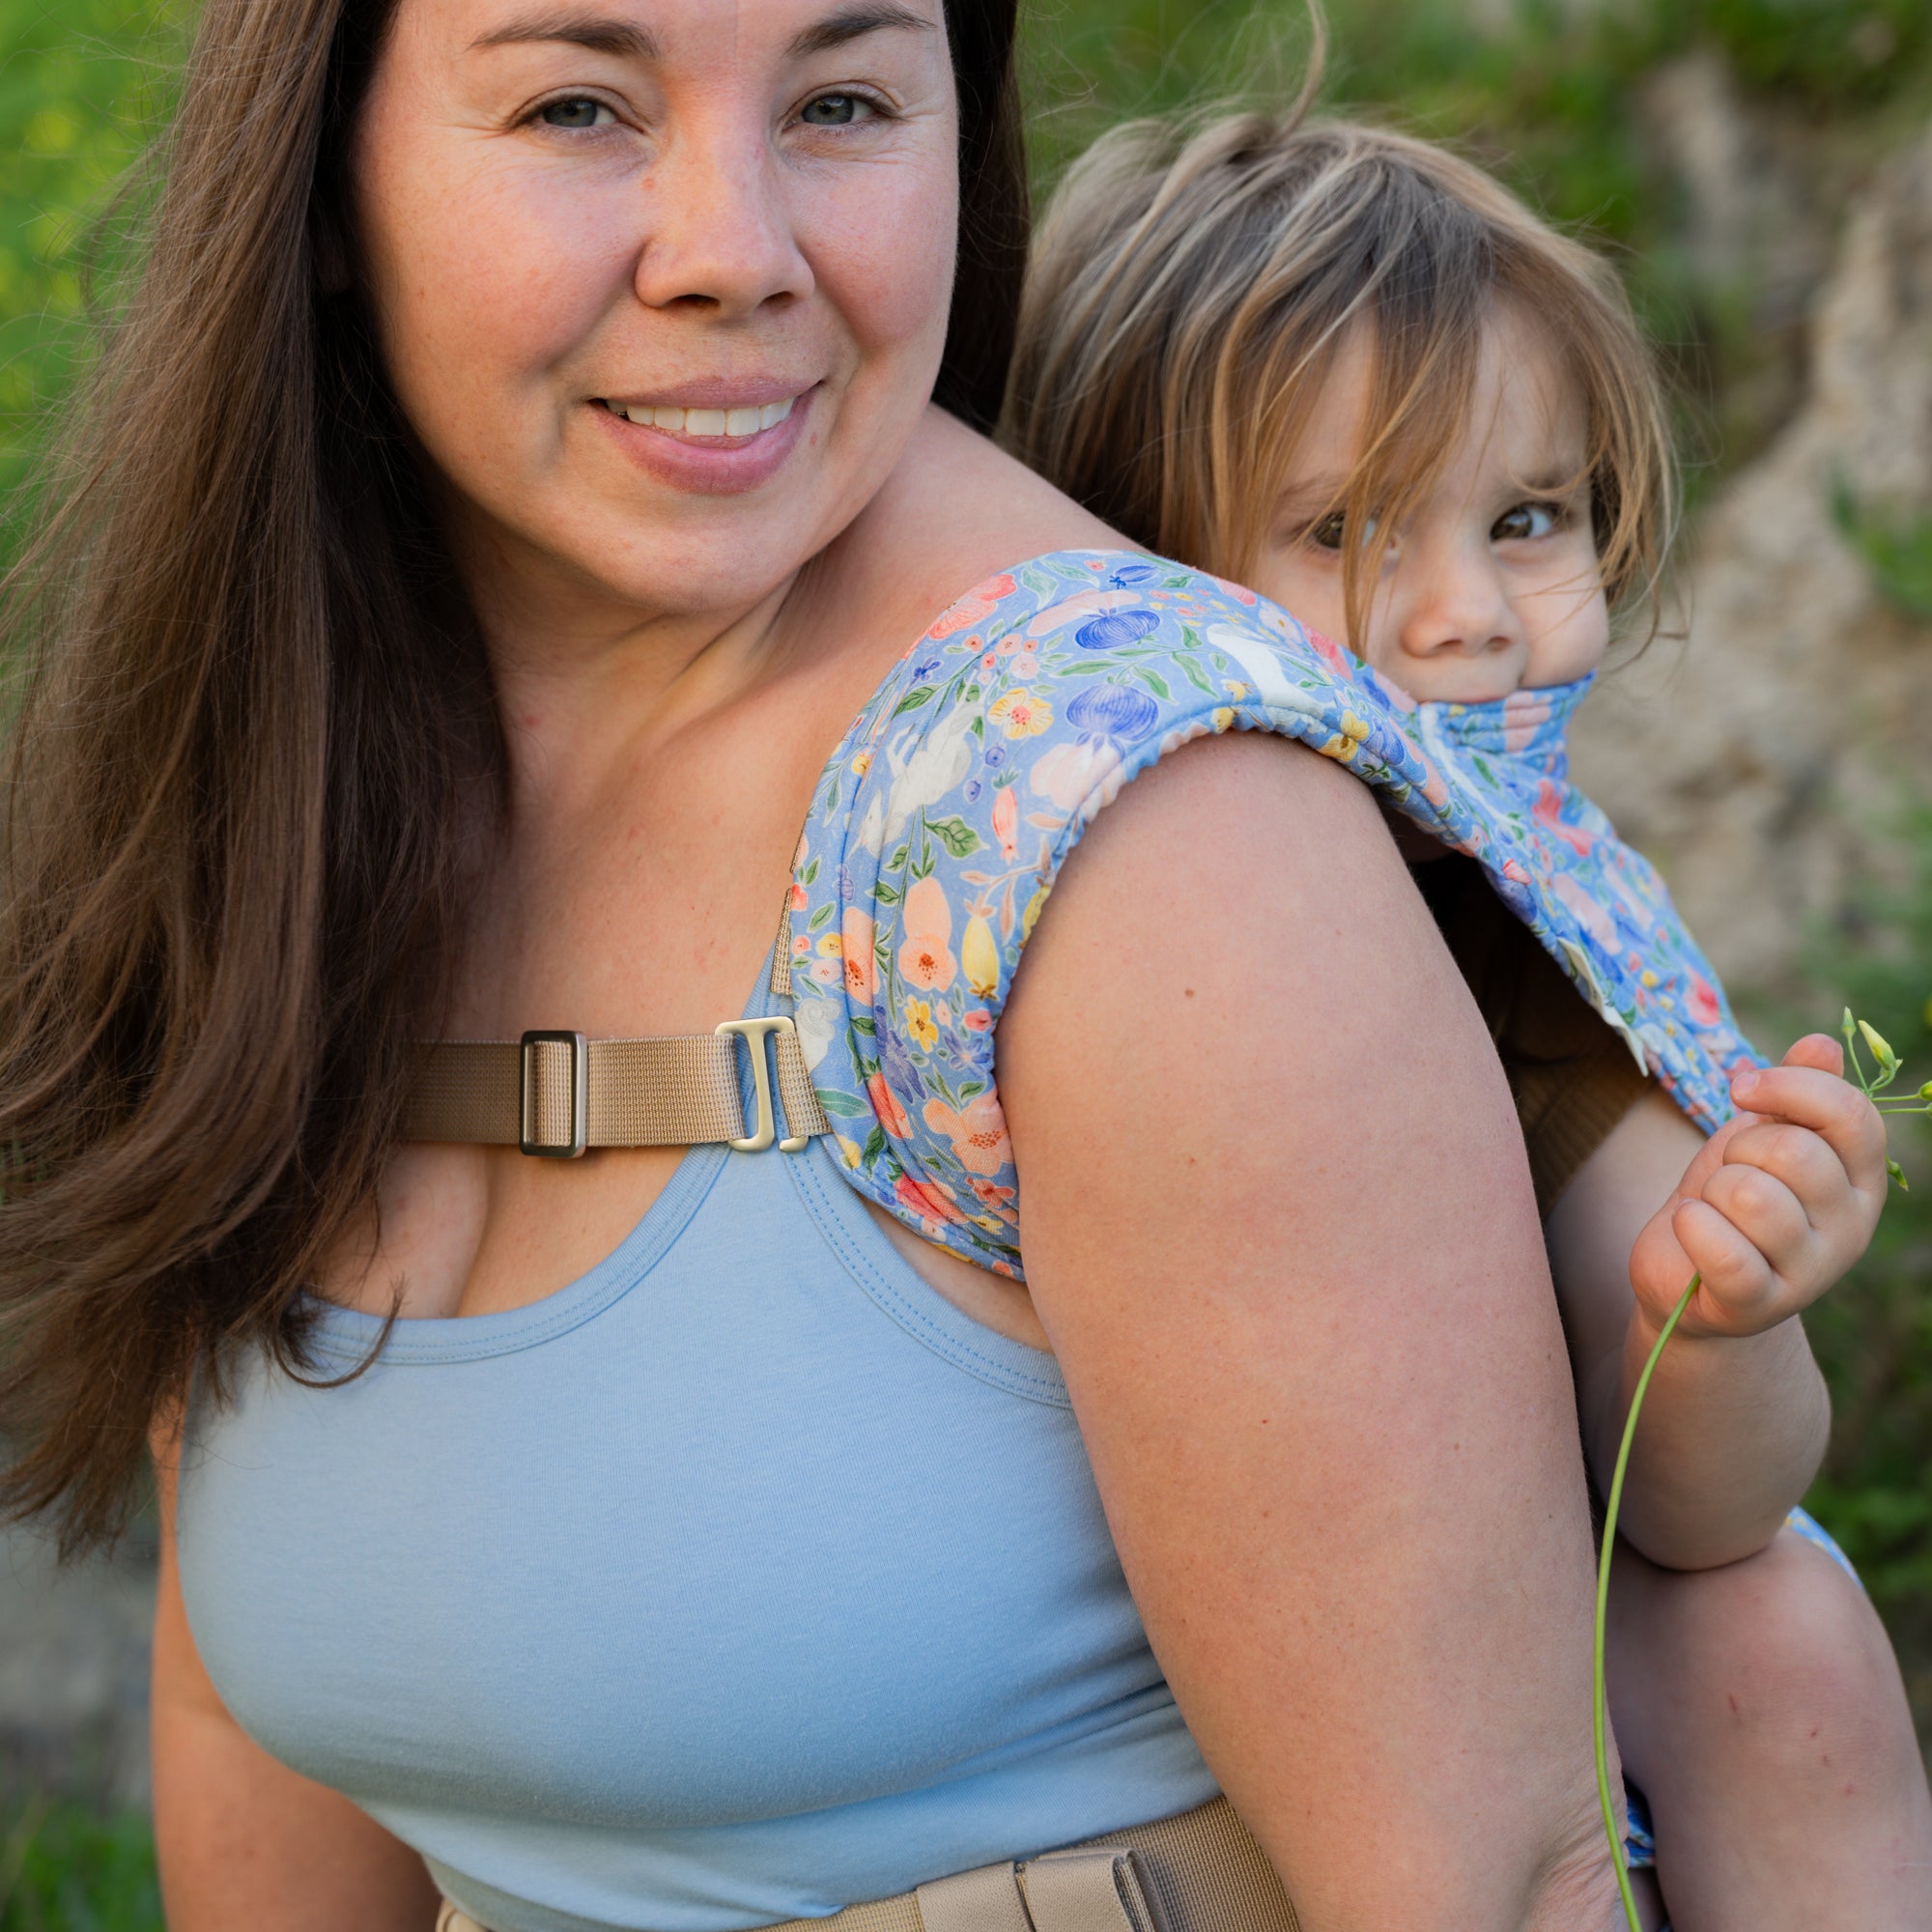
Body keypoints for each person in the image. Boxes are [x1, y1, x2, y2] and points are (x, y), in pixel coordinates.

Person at [1002, 110, 1932, 1928]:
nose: (1467, 624)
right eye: (1341, 530)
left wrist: (1727, 1311)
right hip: (1148, 1698)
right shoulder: (1081, 893)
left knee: (1784, 1626)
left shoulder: (1533, 933)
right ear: (1132, 578)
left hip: (1509, 1696)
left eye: (1528, 521)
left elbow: (1710, 1512)